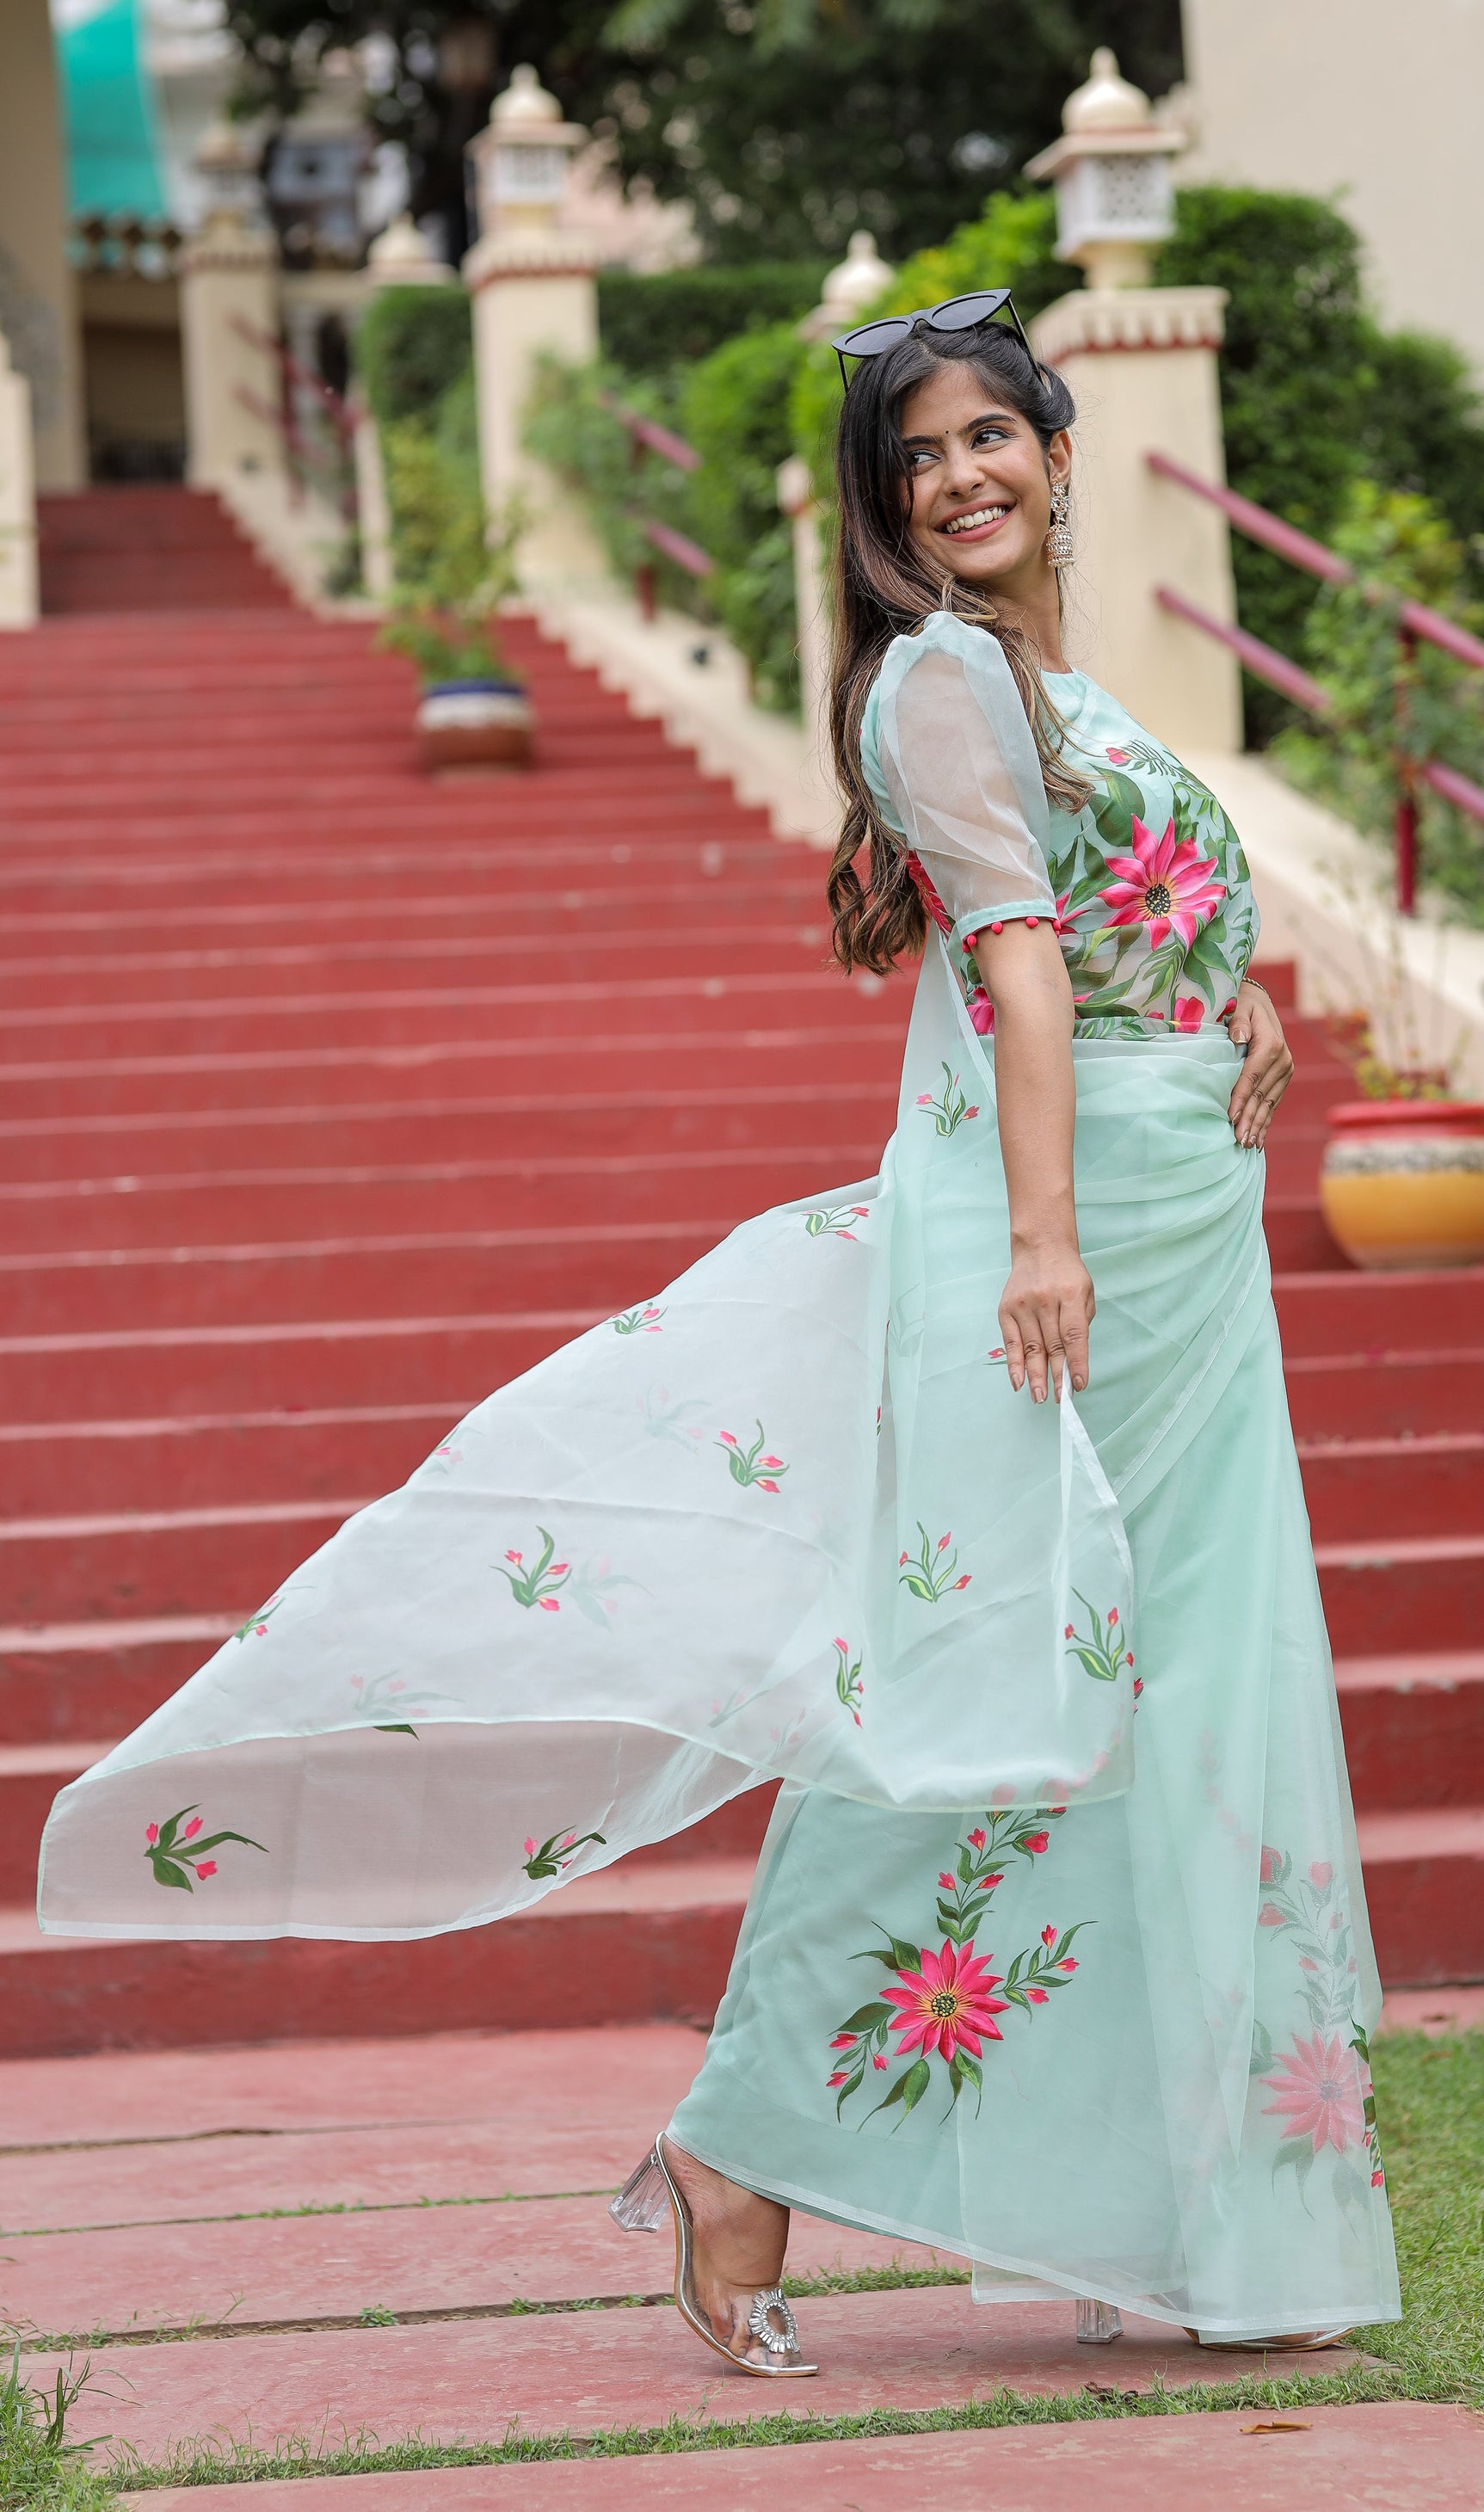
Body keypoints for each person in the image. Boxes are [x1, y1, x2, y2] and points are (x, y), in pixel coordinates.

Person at [37, 294, 1401, 2375]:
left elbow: (1121, 923)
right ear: (879, 509)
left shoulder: (1049, 678)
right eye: (915, 458)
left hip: (1179, 1225)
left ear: (1052, 443)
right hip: (1090, 1235)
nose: (959, 477)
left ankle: (1182, 2198)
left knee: (1167, 1710)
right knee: (981, 1687)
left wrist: (1233, 988)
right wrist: (1041, 1236)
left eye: (985, 438)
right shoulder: (941, 684)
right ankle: (741, 2144)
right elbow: (1015, 974)